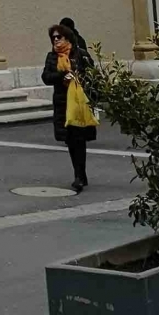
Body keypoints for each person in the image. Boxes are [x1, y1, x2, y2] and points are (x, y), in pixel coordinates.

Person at [43, 21, 97, 192]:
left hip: (80, 102)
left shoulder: (80, 54)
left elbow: (93, 75)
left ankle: (80, 176)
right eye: (53, 38)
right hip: (63, 104)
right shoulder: (52, 57)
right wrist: (62, 76)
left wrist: (80, 81)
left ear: (68, 38)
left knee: (79, 140)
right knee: (70, 141)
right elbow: (46, 77)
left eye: (59, 37)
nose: (56, 40)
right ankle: (79, 172)